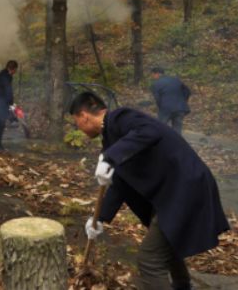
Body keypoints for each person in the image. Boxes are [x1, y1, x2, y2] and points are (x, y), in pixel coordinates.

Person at [71, 92, 229, 290]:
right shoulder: (111, 137)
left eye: (76, 122)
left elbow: (150, 131)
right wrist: (99, 218)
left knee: (149, 259)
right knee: (168, 249)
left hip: (184, 188)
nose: (79, 128)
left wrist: (111, 157)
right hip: (175, 191)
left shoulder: (121, 118)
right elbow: (120, 182)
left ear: (84, 115)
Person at [150, 67, 191, 134]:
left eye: (152, 75)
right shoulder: (176, 80)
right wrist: (182, 102)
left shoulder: (156, 84)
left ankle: (161, 143)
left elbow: (158, 99)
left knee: (160, 128)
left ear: (157, 74)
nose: (152, 77)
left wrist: (161, 107)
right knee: (177, 130)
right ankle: (176, 143)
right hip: (180, 108)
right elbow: (188, 92)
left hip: (166, 108)